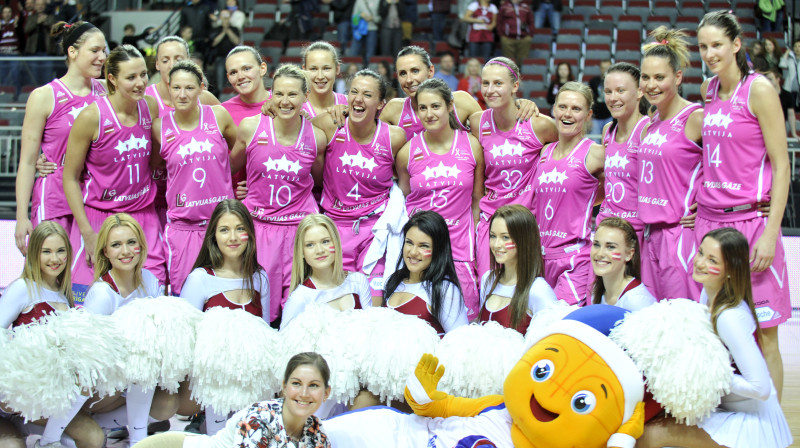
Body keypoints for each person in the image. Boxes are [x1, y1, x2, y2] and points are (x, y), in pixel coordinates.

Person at [697, 10, 791, 400]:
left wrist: (771, 234)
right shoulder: (706, 90)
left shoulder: (760, 90)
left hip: (752, 222)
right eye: (703, 46)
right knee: (717, 328)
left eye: (717, 44)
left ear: (736, 44)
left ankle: (775, 433)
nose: (709, 53)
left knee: (765, 334)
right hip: (710, 225)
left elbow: (783, 165)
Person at [637, 228, 792, 448]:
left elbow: (761, 388)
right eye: (701, 253)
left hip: (751, 426)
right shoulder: (707, 294)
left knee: (649, 435)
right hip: (727, 409)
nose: (700, 263)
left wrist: (709, 374)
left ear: (730, 270)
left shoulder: (729, 317)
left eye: (712, 260)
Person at [62, 44, 167, 292]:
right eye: (131, 77)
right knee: (89, 298)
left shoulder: (150, 107)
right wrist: (87, 232)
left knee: (152, 294)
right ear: (112, 79)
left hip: (143, 214)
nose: (140, 82)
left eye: (143, 74)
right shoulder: (91, 117)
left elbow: (151, 161)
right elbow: (70, 178)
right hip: (100, 215)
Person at [229, 64, 326, 325]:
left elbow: (318, 181)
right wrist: (240, 193)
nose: (285, 101)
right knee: (260, 309)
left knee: (300, 312)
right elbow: (229, 167)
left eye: (293, 95)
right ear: (271, 94)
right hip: (260, 227)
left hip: (300, 230)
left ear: (306, 97)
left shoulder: (316, 137)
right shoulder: (250, 128)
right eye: (279, 94)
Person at [0, 221, 105, 448]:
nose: (54, 258)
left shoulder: (65, 295)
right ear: (33, 253)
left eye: (60, 251)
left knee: (94, 438)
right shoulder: (22, 288)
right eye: (46, 251)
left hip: (51, 398)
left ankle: (48, 440)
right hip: (18, 394)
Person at [14, 21, 106, 261]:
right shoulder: (44, 96)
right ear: (72, 52)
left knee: (85, 279)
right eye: (95, 50)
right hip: (54, 196)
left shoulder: (109, 91)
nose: (102, 57)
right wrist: (21, 216)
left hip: (93, 197)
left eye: (104, 50)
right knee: (51, 272)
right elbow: (27, 162)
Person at [82, 213, 176, 447]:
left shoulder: (150, 280)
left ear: (141, 246)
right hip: (100, 385)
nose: (125, 251)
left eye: (131, 243)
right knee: (139, 365)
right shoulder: (102, 294)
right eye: (116, 245)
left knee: (168, 404)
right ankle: (137, 437)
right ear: (105, 252)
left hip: (136, 381)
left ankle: (107, 424)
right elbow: (87, 358)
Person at [313, 69, 405, 300]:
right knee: (335, 303)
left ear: (381, 103)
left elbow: (405, 183)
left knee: (372, 304)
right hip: (333, 229)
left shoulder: (394, 137)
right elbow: (294, 131)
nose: (358, 99)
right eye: (353, 92)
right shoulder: (330, 124)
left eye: (367, 94)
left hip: (373, 232)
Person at [180, 199, 269, 434]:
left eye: (240, 229)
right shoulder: (200, 279)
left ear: (249, 233)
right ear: (213, 236)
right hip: (211, 383)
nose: (233, 237)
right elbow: (185, 337)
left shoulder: (260, 278)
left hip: (251, 382)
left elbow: (267, 333)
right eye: (224, 230)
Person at [396, 78, 484, 317]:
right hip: (419, 251)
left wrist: (475, 245)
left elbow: (477, 199)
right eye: (422, 108)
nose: (429, 113)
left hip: (459, 250)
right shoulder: (407, 152)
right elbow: (405, 199)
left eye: (435, 106)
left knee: (465, 321)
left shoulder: (472, 146)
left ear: (449, 106)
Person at [150, 60, 237, 295]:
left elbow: (235, 150)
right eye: (176, 87)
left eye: (189, 88)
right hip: (183, 228)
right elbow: (156, 166)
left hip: (222, 225)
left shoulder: (218, 116)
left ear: (201, 88)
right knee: (186, 298)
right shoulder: (159, 128)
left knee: (224, 295)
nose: (182, 94)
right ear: (168, 88)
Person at [468, 56, 557, 278]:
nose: (490, 90)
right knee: (488, 287)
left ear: (515, 86)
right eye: (485, 83)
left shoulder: (540, 124)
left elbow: (569, 157)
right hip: (491, 218)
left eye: (498, 83)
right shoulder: (478, 122)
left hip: (526, 220)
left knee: (523, 289)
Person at [135, 352, 332, 448]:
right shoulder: (261, 418)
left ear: (326, 393)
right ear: (284, 387)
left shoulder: (317, 434)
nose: (304, 393)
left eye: (314, 385)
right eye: (296, 383)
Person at [637, 27, 703, 301]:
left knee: (684, 320)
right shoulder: (650, 124)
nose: (651, 84)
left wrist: (709, 204)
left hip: (680, 234)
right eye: (645, 77)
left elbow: (730, 161)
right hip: (650, 235)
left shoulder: (696, 117)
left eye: (659, 77)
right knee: (655, 323)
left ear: (677, 77)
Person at [532, 81, 604, 305]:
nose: (567, 114)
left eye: (576, 109)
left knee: (562, 326)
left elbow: (622, 188)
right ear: (553, 109)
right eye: (562, 107)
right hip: (539, 257)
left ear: (588, 114)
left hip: (574, 259)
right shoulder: (544, 151)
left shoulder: (595, 153)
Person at [145, 36, 221, 230]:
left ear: (188, 61)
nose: (171, 65)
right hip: (151, 198)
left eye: (178, 59)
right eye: (165, 60)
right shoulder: (145, 99)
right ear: (157, 65)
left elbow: (227, 137)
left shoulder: (205, 98)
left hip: (194, 201)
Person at [383, 210, 468, 336]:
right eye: (409, 242)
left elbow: (460, 343)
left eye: (423, 246)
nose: (413, 252)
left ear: (438, 250)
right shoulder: (393, 280)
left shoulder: (445, 289)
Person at [281, 214, 372, 329]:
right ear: (302, 252)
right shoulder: (299, 298)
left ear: (336, 243)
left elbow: (370, 332)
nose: (319, 250)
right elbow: (284, 343)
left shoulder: (358, 281)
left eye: (325, 242)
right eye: (310, 245)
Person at [479, 205, 557, 334]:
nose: (497, 245)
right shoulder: (488, 279)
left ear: (524, 239)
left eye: (505, 237)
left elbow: (550, 343)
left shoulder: (538, 290)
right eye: (493, 236)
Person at [594, 62, 649, 242]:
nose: (613, 97)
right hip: (606, 227)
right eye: (608, 91)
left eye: (620, 90)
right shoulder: (608, 130)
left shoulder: (647, 129)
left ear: (640, 91)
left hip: (636, 231)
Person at [221, 45, 272, 194]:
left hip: (275, 200)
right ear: (228, 77)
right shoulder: (221, 112)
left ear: (262, 68)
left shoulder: (284, 104)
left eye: (246, 68)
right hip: (234, 202)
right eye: (233, 72)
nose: (240, 76)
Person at [590, 217, 656, 311]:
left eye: (611, 247)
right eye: (596, 245)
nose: (600, 254)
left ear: (629, 254)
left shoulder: (637, 301)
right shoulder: (597, 290)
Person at [301, 41, 348, 118]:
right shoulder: (295, 108)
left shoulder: (350, 104)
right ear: (304, 70)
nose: (320, 76)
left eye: (326, 68)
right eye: (313, 69)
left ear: (337, 69)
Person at [759, 65, 798, 138]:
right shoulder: (762, 95)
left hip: (782, 125)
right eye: (766, 79)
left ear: (778, 79)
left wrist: (793, 133)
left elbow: (791, 115)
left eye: (770, 79)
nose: (768, 81)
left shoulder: (787, 95)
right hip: (766, 126)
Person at [208, 10, 241, 94]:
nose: (225, 20)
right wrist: (223, 31)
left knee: (233, 81)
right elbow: (214, 42)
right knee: (220, 82)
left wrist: (228, 30)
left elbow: (236, 41)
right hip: (220, 59)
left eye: (227, 18)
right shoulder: (216, 29)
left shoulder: (234, 29)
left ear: (230, 18)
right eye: (223, 18)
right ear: (220, 18)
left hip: (232, 60)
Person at [496, 0, 534, 71]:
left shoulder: (526, 7)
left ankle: (521, 74)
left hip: (524, 38)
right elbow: (499, 21)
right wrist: (501, 35)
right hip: (507, 38)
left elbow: (531, 21)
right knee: (509, 60)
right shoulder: (504, 6)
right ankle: (511, 75)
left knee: (523, 60)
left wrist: (530, 34)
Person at [23, 0, 54, 85]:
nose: (40, 7)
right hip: (34, 52)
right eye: (38, 5)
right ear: (35, 6)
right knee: (34, 77)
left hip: (47, 52)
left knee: (47, 77)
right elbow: (26, 30)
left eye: (42, 5)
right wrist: (37, 22)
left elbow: (55, 31)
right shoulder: (31, 17)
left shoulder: (50, 17)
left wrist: (46, 23)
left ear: (45, 6)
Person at [349, 0, 380, 65]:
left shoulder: (378, 1)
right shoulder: (359, 1)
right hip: (360, 29)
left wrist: (372, 18)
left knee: (370, 54)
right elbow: (354, 16)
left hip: (372, 28)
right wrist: (360, 15)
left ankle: (369, 72)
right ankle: (352, 70)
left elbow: (381, 17)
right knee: (354, 52)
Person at [588, 59, 612, 138]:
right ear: (600, 68)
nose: (605, 70)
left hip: (610, 115)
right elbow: (589, 99)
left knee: (609, 140)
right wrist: (589, 118)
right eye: (603, 68)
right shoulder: (593, 81)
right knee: (594, 140)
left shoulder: (614, 82)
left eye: (607, 68)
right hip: (596, 117)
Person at [778, 40, 800, 107]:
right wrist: (786, 53)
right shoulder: (790, 58)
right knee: (791, 107)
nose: (797, 48)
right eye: (795, 46)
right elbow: (782, 65)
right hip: (789, 87)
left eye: (799, 46)